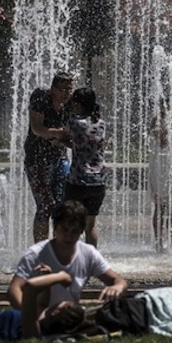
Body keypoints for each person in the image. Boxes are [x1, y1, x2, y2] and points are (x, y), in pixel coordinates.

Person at [7, 200, 127, 310]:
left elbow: (119, 280)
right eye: (64, 229)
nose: (68, 236)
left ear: (81, 231)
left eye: (74, 231)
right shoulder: (36, 254)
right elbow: (14, 289)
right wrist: (28, 315)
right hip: (38, 314)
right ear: (55, 228)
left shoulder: (88, 253)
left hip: (67, 315)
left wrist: (117, 287)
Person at [24, 72, 74, 242]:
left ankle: (57, 251)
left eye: (69, 89)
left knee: (62, 207)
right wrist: (60, 133)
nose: (66, 93)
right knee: (45, 206)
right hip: (36, 160)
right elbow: (37, 128)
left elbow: (72, 136)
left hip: (60, 158)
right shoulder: (40, 98)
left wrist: (62, 139)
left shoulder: (70, 104)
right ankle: (40, 253)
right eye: (62, 89)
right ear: (53, 89)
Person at [62, 87, 108, 247]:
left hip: (78, 181)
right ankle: (91, 260)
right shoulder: (101, 124)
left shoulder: (75, 123)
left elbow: (64, 135)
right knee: (91, 225)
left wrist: (59, 141)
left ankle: (68, 258)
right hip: (98, 181)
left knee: (69, 223)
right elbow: (85, 144)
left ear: (80, 105)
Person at [149, 101, 172, 251]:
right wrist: (166, 123)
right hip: (159, 166)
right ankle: (158, 243)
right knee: (160, 207)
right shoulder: (155, 119)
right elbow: (162, 141)